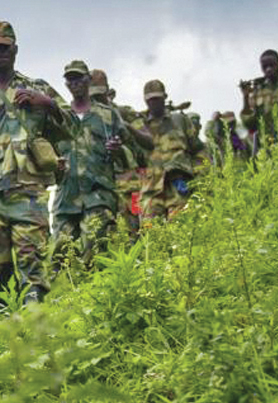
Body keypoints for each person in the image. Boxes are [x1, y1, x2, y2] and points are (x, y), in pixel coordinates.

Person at [0, 20, 69, 307]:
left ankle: (35, 331)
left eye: (4, 48)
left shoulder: (38, 88)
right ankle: (6, 338)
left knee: (31, 264)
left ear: (15, 50)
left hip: (29, 191)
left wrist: (47, 104)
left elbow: (74, 129)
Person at [51, 59, 147, 274]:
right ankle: (65, 298)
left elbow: (134, 155)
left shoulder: (107, 115)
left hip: (99, 195)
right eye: (70, 79)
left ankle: (95, 297)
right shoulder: (61, 117)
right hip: (66, 197)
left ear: (88, 80)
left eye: (79, 78)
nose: (75, 83)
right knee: (59, 252)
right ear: (66, 83)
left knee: (94, 250)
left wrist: (118, 151)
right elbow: (47, 151)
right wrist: (52, 165)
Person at [90, 68, 150, 238]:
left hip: (127, 186)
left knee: (133, 234)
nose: (96, 101)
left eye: (100, 95)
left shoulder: (124, 115)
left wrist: (124, 135)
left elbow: (145, 152)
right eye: (92, 97)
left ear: (109, 93)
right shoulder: (83, 118)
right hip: (97, 189)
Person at [137, 79, 208, 220]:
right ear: (145, 101)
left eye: (158, 98)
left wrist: (201, 179)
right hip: (151, 190)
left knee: (180, 227)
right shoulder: (140, 126)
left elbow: (198, 150)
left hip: (179, 186)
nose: (154, 103)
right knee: (151, 232)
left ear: (165, 97)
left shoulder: (180, 120)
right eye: (150, 100)